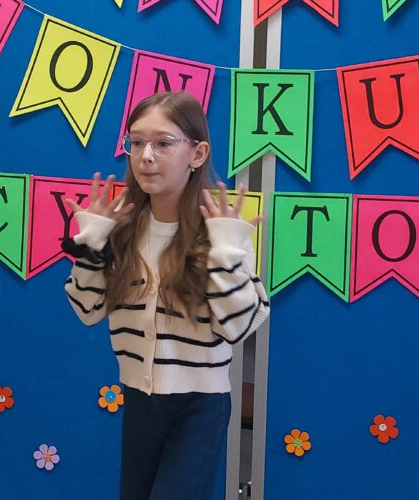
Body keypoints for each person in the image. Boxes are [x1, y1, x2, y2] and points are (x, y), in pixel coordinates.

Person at [61, 91, 270, 500]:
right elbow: (87, 310)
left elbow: (241, 326)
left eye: (163, 143)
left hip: (200, 405)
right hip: (140, 399)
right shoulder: (121, 228)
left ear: (197, 154)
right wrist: (92, 245)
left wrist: (224, 255)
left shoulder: (222, 233)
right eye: (136, 142)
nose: (146, 156)